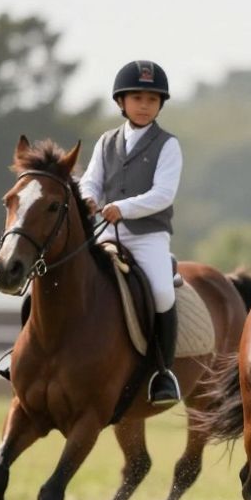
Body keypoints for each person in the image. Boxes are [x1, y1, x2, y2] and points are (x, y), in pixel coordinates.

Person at [78, 60, 185, 406]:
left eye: (152, 100)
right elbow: (91, 180)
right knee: (60, 274)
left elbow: (163, 194)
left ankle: (162, 372)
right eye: (137, 97)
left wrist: (122, 208)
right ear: (121, 101)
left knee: (161, 293)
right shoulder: (106, 142)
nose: (144, 105)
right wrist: (90, 199)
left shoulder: (168, 145)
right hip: (106, 232)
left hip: (148, 237)